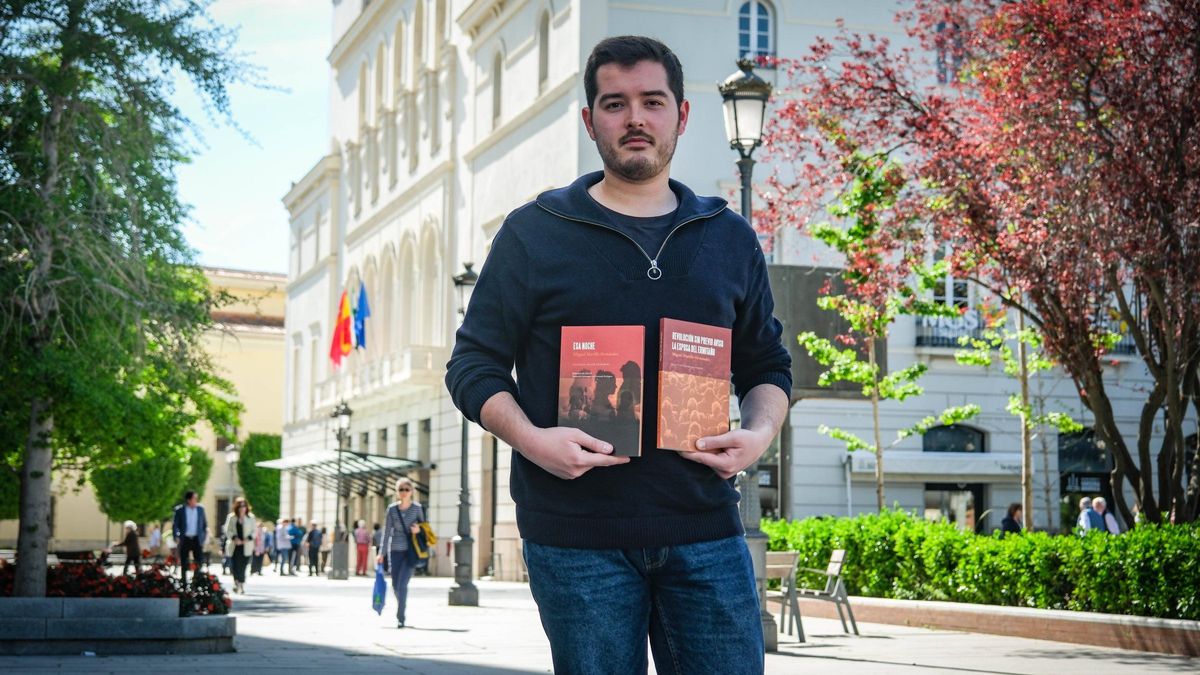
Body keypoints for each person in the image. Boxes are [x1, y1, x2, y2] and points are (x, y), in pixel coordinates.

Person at [445, 36, 791, 674]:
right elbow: (473, 366)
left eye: (652, 101)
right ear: (590, 120)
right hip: (578, 541)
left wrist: (760, 432)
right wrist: (531, 439)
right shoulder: (533, 233)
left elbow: (767, 366)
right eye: (615, 103)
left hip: (706, 532)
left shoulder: (729, 238)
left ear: (681, 116)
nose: (635, 118)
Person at [377, 477, 426, 628]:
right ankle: (402, 607)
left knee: (403, 584)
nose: (404, 492)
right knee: (395, 585)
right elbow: (386, 532)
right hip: (395, 551)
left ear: (411, 491)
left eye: (407, 489)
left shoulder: (417, 508)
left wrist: (419, 530)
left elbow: (425, 528)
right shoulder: (392, 509)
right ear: (397, 492)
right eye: (401, 489)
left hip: (411, 551)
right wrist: (381, 553)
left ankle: (401, 616)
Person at [171, 490, 208, 587]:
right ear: (188, 500)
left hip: (197, 539)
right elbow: (175, 525)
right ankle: (184, 582)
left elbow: (204, 525)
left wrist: (203, 538)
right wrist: (176, 536)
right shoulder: (180, 510)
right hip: (185, 539)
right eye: (194, 498)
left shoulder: (200, 509)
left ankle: (195, 582)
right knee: (184, 561)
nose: (196, 500)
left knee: (199, 561)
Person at [223, 497, 256, 594]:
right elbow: (227, 530)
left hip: (246, 546)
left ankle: (241, 583)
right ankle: (236, 582)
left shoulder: (250, 517)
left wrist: (247, 539)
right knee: (235, 566)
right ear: (237, 507)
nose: (242, 508)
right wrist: (234, 538)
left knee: (244, 566)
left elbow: (254, 531)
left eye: (244, 506)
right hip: (235, 546)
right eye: (240, 506)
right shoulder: (232, 517)